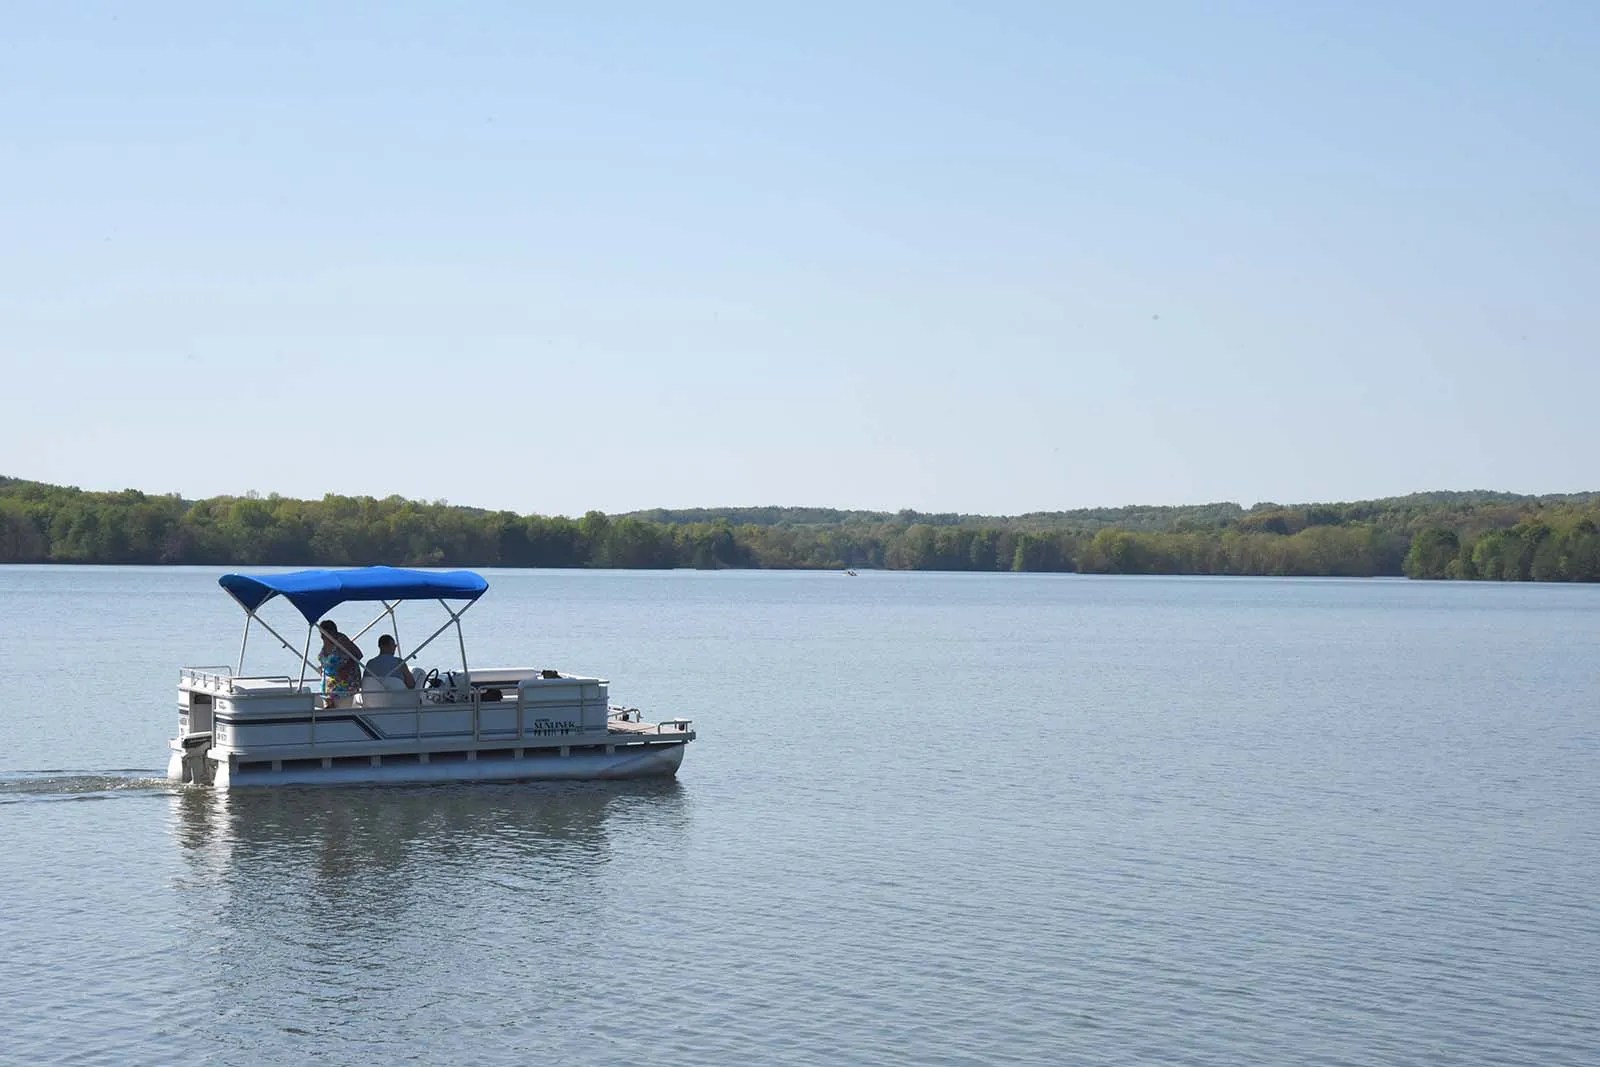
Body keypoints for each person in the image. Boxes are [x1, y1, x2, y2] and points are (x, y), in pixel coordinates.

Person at [317, 620, 363, 708]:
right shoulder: (326, 642)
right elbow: (327, 659)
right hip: (327, 684)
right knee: (328, 712)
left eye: (325, 633)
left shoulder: (342, 640)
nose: (322, 636)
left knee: (340, 711)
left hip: (343, 683)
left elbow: (358, 655)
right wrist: (322, 666)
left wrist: (347, 668)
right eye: (321, 633)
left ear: (333, 631)